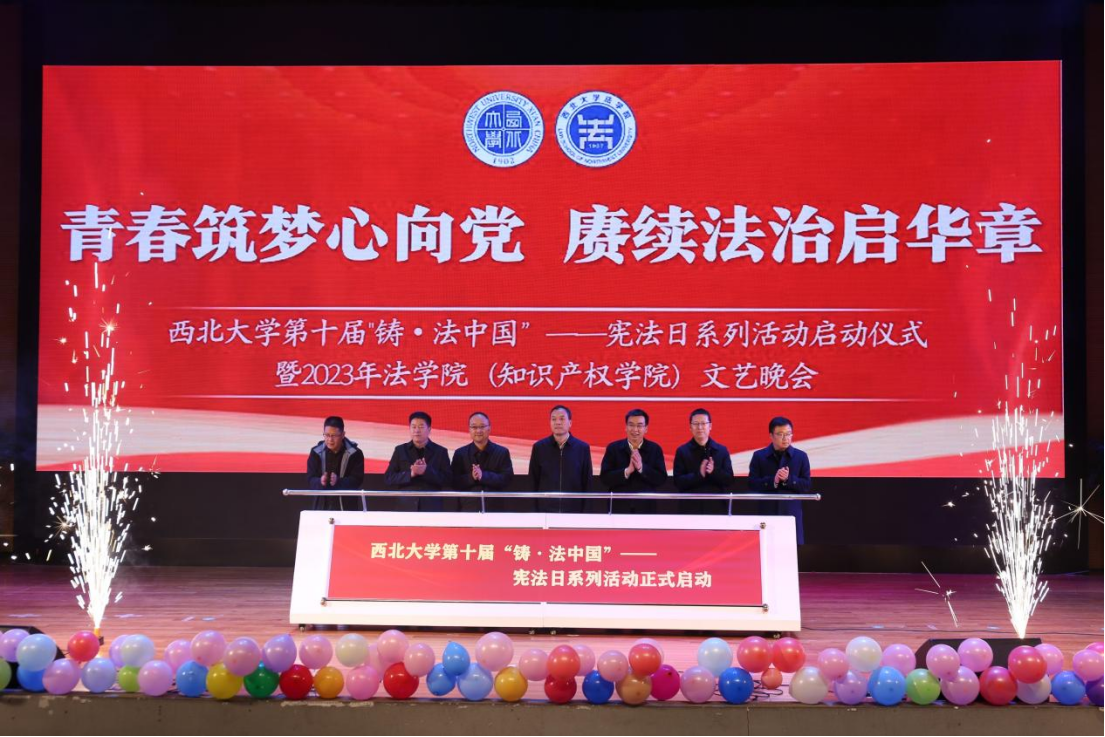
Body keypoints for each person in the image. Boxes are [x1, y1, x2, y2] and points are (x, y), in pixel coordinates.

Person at [748, 416, 811, 544]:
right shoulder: (759, 456)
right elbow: (752, 484)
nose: (785, 438)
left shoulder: (801, 456)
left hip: (791, 515)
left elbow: (806, 485)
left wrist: (789, 479)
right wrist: (774, 481)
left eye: (788, 434)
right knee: (766, 549)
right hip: (767, 515)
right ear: (771, 436)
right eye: (780, 434)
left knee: (791, 551)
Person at [600, 408, 667, 513]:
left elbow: (661, 479)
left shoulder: (655, 449)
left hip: (646, 508)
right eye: (631, 425)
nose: (635, 430)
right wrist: (626, 471)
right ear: (626, 427)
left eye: (639, 426)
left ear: (646, 428)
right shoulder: (613, 448)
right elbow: (605, 478)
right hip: (618, 508)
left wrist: (641, 468)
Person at [528, 404, 592, 512]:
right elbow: (532, 481)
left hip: (574, 510)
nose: (557, 422)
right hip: (545, 511)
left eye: (562, 419)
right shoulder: (539, 447)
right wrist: (534, 512)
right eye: (553, 419)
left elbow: (587, 483)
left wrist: (586, 513)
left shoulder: (582, 448)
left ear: (570, 423)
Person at [384, 411, 452, 511]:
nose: (416, 430)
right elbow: (388, 478)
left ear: (429, 429)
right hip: (405, 507)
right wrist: (411, 474)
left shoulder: (440, 452)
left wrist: (426, 471)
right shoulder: (400, 450)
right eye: (413, 427)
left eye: (421, 427)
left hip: (431, 507)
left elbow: (448, 480)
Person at [672, 408, 734, 514]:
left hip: (717, 508)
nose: (700, 427)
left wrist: (714, 471)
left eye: (703, 423)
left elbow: (729, 480)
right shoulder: (682, 451)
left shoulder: (721, 450)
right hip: (690, 509)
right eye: (696, 424)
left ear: (710, 426)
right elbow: (678, 482)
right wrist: (699, 475)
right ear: (690, 427)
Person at [451, 411, 514, 511]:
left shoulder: (502, 452)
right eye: (474, 427)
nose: (478, 430)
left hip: (495, 509)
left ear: (489, 428)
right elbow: (453, 482)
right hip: (468, 509)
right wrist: (472, 477)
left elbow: (507, 480)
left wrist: (483, 476)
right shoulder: (460, 454)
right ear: (469, 429)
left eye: (482, 426)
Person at [307, 416, 365, 511]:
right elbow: (310, 479)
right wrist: (320, 481)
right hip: (321, 508)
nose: (330, 439)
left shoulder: (355, 453)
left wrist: (339, 482)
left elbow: (357, 480)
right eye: (327, 435)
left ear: (343, 435)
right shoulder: (316, 452)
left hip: (347, 509)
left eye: (334, 436)